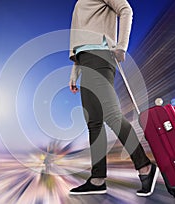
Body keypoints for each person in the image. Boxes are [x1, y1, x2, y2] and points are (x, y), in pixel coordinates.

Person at [68, 0, 159, 197]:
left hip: (100, 55)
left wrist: (121, 47)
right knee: (94, 122)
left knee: (112, 116)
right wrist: (75, 73)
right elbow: (80, 39)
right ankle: (97, 179)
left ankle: (145, 167)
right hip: (85, 60)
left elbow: (125, 9)